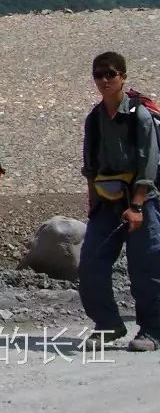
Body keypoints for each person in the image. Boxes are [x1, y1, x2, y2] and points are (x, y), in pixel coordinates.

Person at [78, 51, 160, 352]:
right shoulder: (94, 119)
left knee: (146, 266)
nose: (104, 80)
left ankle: (152, 330)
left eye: (110, 74)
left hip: (141, 202)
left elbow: (149, 163)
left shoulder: (139, 116)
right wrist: (93, 204)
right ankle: (108, 324)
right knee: (90, 264)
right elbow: (90, 167)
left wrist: (137, 205)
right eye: (98, 74)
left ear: (123, 77)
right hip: (106, 203)